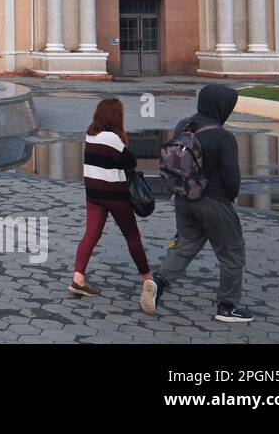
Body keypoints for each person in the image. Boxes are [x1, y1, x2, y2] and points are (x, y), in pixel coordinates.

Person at [143, 83, 252, 322]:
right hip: (214, 201)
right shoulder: (224, 137)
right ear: (221, 107)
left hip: (183, 198)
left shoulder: (184, 125)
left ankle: (158, 283)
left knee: (185, 245)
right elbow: (232, 177)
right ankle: (227, 307)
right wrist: (230, 197)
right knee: (232, 253)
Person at [70, 98, 155, 306]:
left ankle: (78, 278)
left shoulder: (90, 135)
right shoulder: (112, 138)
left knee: (91, 234)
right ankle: (148, 278)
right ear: (115, 116)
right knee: (132, 236)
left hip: (94, 194)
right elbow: (131, 162)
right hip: (115, 196)